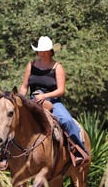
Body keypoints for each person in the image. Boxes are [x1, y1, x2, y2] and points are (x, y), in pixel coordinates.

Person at [18, 36, 89, 164]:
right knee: (13, 119)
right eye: (41, 51)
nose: (43, 53)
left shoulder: (57, 67)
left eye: (46, 51)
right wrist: (19, 100)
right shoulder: (31, 65)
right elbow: (24, 86)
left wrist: (44, 96)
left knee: (66, 120)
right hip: (32, 100)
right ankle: (4, 155)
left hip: (53, 101)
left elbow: (61, 90)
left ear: (51, 51)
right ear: (37, 51)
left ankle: (78, 150)